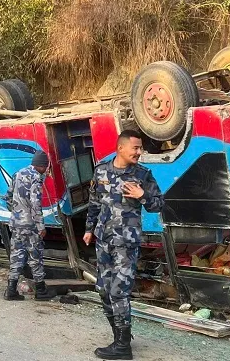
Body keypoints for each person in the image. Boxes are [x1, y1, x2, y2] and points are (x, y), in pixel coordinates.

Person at [83, 130, 165, 360]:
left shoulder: (142, 175)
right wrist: (89, 229)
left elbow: (159, 204)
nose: (139, 152)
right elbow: (94, 202)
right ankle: (119, 337)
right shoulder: (101, 170)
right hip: (103, 240)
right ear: (120, 148)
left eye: (140, 148)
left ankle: (122, 347)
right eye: (135, 148)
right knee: (103, 290)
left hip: (125, 243)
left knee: (119, 292)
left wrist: (142, 196)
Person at [3, 151, 53, 301]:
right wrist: (40, 226)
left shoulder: (18, 173)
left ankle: (11, 290)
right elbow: (36, 205)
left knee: (16, 256)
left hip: (16, 223)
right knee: (35, 256)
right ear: (42, 166)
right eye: (46, 167)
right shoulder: (36, 178)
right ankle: (41, 291)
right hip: (30, 225)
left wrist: (17, 213)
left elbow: (8, 197)